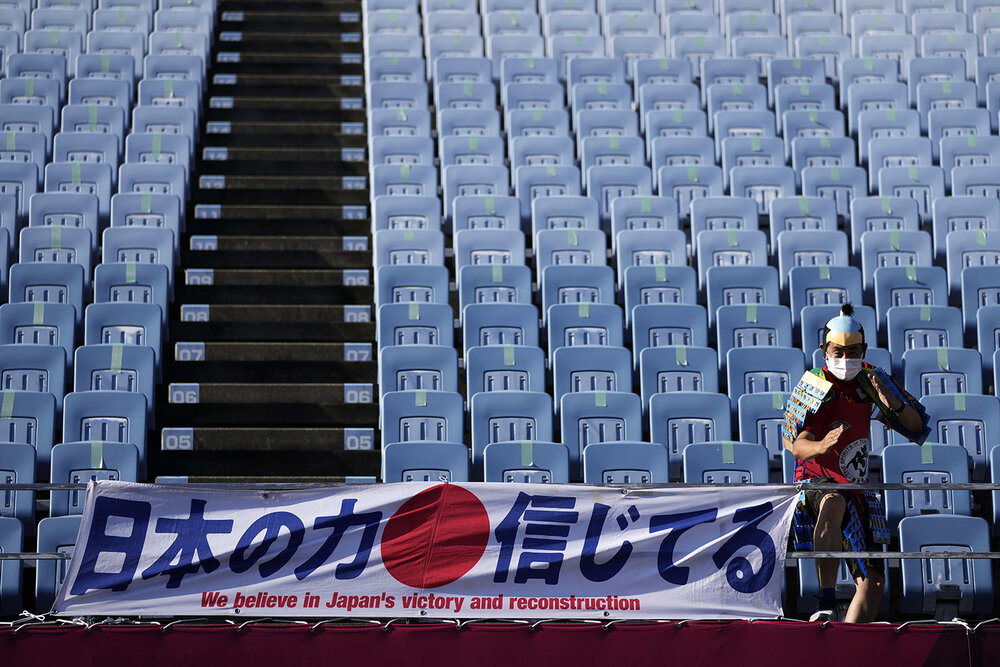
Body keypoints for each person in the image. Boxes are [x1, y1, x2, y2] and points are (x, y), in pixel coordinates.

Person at [784, 303, 929, 623]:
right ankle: (825, 601)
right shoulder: (814, 383)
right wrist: (821, 444)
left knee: (874, 582)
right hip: (816, 481)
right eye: (839, 351)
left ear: (863, 349)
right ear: (824, 349)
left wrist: (893, 405)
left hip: (857, 487)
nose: (846, 359)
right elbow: (797, 446)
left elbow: (916, 426)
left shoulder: (871, 380)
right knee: (833, 502)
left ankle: (848, 644)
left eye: (854, 351)